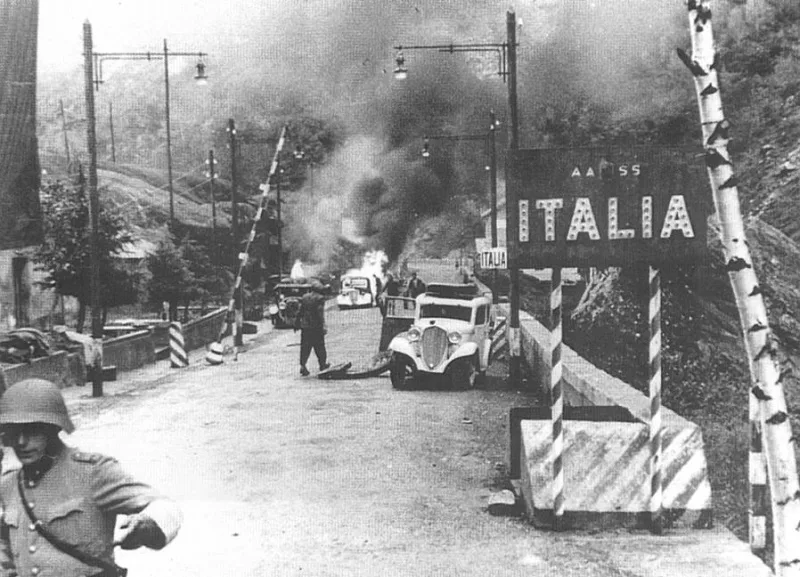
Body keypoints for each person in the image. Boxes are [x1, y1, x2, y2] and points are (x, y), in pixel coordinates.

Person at [0, 378, 182, 577]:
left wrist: (147, 523)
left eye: (33, 431)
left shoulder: (92, 473)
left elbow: (165, 506)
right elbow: (5, 541)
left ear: (53, 429)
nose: (21, 442)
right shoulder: (9, 484)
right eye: (14, 432)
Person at [295, 279, 330, 376]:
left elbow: (300, 311)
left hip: (305, 327)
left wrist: (297, 323)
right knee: (320, 347)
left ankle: (303, 366)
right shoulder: (320, 298)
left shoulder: (305, 297)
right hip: (316, 327)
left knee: (305, 347)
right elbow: (320, 313)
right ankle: (322, 365)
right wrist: (323, 325)